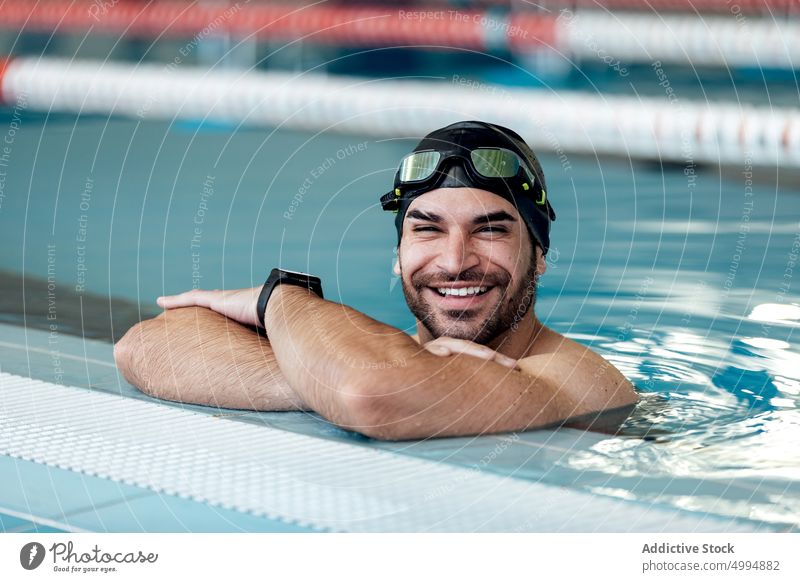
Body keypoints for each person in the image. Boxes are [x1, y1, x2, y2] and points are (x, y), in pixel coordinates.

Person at [114, 120, 638, 440]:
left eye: (491, 229)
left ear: (539, 255)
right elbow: (142, 347)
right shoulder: (353, 355)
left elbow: (368, 393)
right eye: (427, 230)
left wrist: (282, 297)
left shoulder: (580, 382)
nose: (455, 261)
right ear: (398, 254)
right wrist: (323, 379)